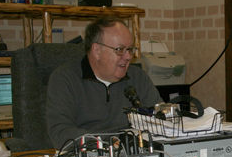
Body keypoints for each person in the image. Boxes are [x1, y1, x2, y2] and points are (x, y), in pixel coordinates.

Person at [46, 17, 162, 148]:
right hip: (90, 156)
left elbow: (161, 120)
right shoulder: (65, 78)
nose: (128, 56)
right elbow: (60, 132)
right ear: (97, 51)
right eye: (120, 50)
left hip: (136, 153)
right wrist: (110, 142)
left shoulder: (138, 77)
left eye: (130, 49)